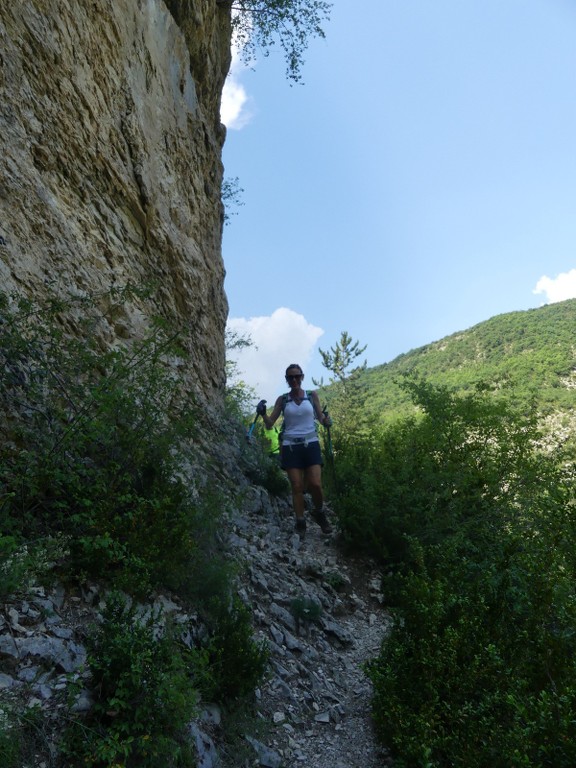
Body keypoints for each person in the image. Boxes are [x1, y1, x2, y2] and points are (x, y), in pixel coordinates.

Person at [257, 363, 332, 536]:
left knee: (315, 484)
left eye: (297, 376)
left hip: (311, 443)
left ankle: (319, 513)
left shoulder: (312, 396)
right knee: (297, 486)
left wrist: (326, 421)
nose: (294, 379)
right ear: (286, 380)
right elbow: (270, 424)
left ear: (302, 377)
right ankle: (300, 522)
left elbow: (320, 417)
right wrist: (262, 413)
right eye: (290, 377)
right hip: (290, 446)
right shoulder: (282, 399)